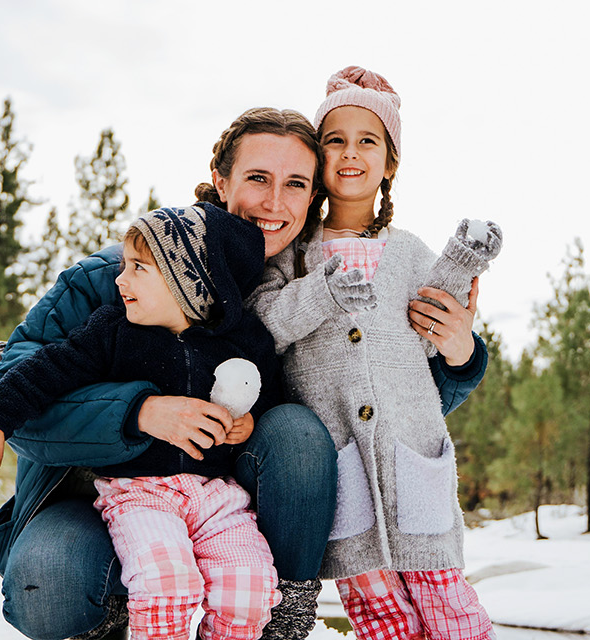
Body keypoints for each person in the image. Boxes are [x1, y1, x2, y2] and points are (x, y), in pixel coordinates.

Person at [0, 107, 488, 640]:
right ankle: (123, 615)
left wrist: (458, 353)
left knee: (296, 430)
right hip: (101, 491)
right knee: (52, 582)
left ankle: (281, 614)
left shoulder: (312, 287)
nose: (274, 202)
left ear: (313, 197)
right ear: (220, 181)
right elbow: (18, 387)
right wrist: (140, 411)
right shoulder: (119, 276)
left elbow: (376, 407)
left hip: (230, 499)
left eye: (295, 184)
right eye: (257, 178)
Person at [248, 66, 493, 640]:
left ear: (389, 163)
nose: (350, 153)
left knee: (448, 603)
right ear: (317, 156)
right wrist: (321, 292)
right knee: (378, 611)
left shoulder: (409, 253)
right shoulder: (291, 253)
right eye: (334, 140)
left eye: (368, 141)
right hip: (342, 461)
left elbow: (438, 332)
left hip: (413, 459)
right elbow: (266, 325)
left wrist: (459, 306)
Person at [0, 207, 284, 640]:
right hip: (141, 494)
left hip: (216, 498)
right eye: (123, 267)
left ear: (188, 282)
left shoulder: (241, 341)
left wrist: (249, 421)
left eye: (138, 268)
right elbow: (45, 369)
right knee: (166, 584)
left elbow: (272, 391)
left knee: (249, 587)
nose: (120, 280)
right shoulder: (113, 331)